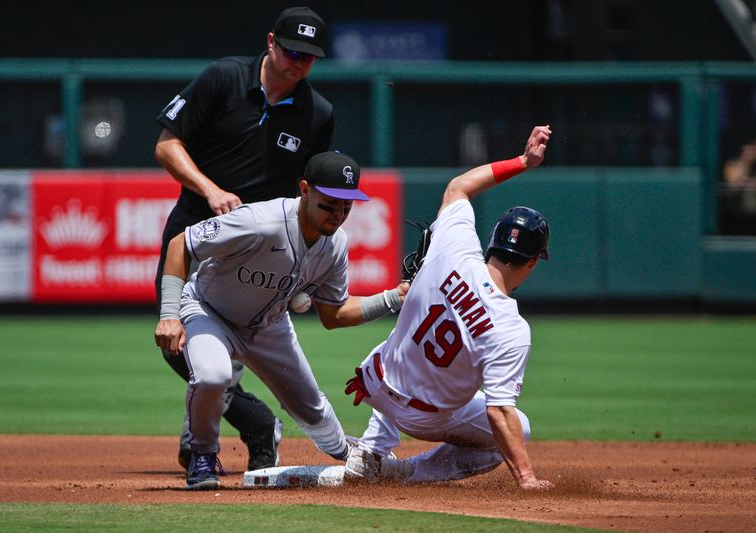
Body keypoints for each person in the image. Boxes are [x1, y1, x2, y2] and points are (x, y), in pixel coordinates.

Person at [154, 151, 409, 490]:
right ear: (305, 190)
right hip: (209, 312)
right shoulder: (260, 221)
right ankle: (202, 456)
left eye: (346, 207)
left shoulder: (335, 245)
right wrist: (170, 314)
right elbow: (180, 244)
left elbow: (334, 314)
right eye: (329, 204)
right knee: (213, 375)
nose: (338, 214)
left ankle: (348, 454)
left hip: (268, 325)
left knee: (312, 407)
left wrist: (394, 298)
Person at [153, 6, 334, 472]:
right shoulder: (223, 78)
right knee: (177, 340)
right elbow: (167, 144)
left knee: (227, 344)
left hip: (259, 245)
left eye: (309, 57)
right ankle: (255, 421)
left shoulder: (317, 114)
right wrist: (210, 190)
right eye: (292, 51)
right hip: (194, 229)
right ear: (271, 42)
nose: (299, 63)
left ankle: (213, 430)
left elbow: (313, 193)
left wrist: (303, 272)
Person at [343, 125, 555, 490]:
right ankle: (412, 472)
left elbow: (459, 186)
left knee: (412, 354)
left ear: (492, 243)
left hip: (374, 379)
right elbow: (499, 411)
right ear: (534, 261)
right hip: (420, 418)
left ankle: (371, 452)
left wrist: (523, 161)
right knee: (517, 425)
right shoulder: (511, 327)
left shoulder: (455, 246)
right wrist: (526, 478)